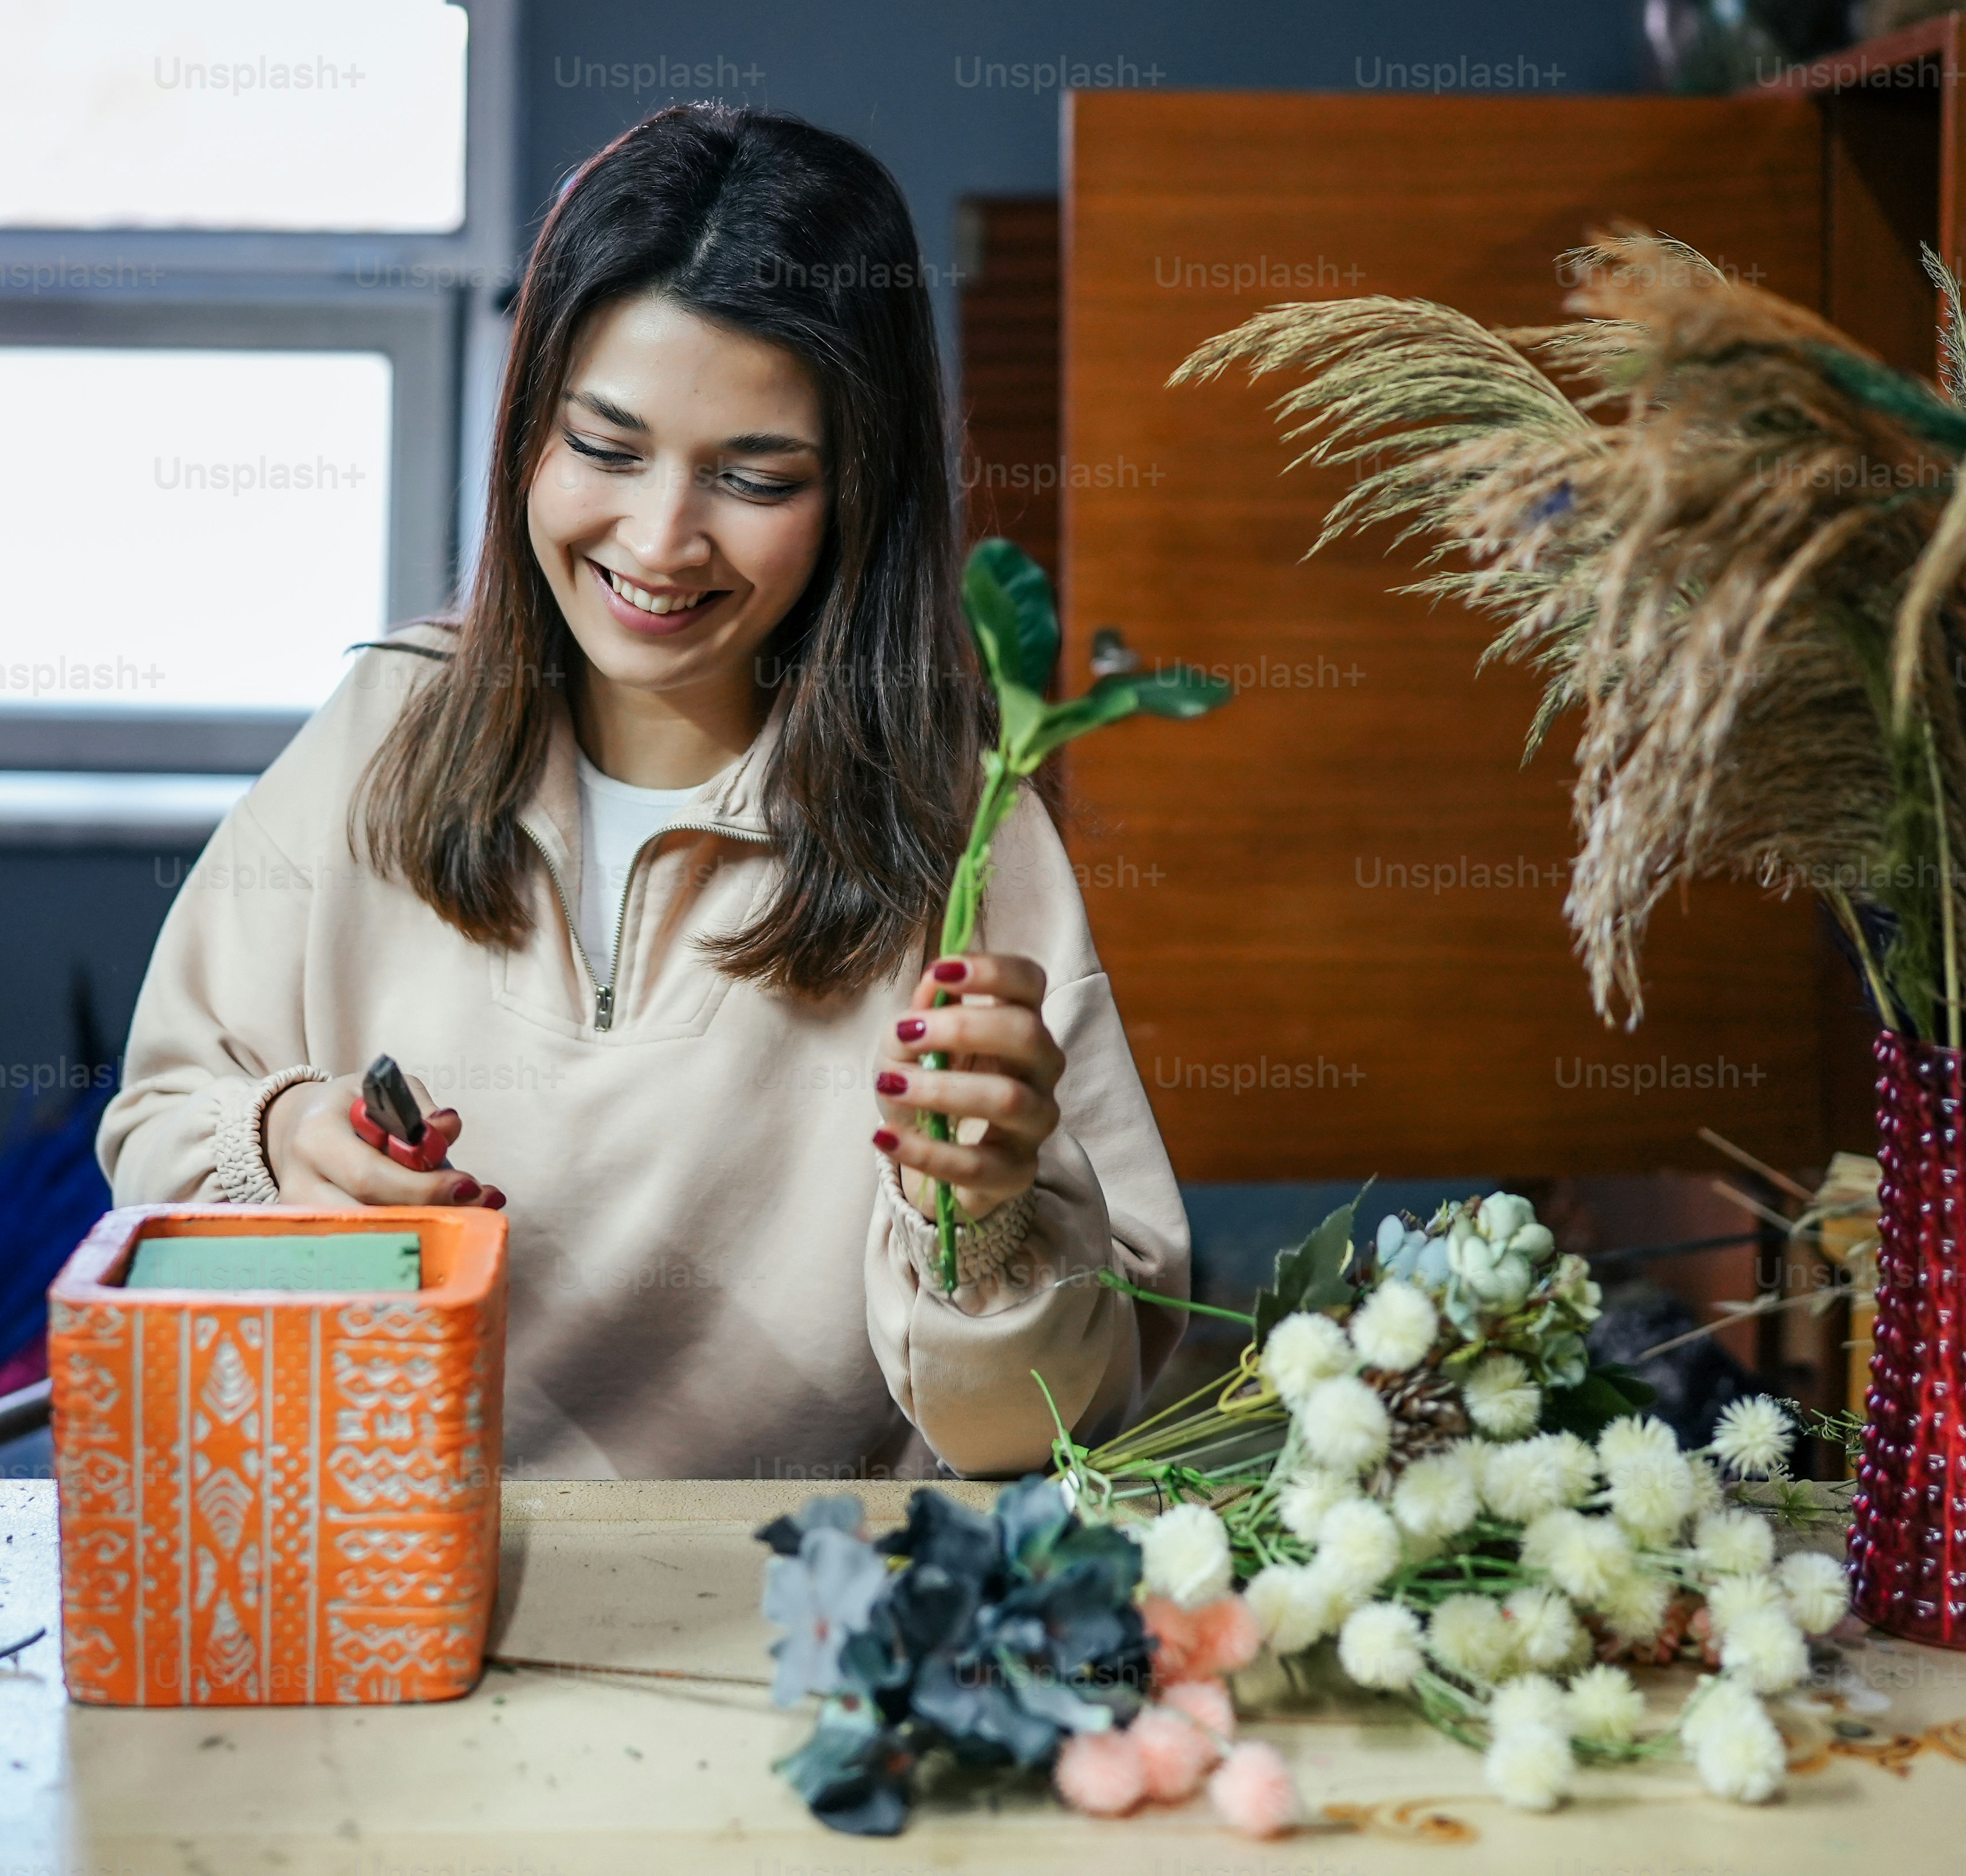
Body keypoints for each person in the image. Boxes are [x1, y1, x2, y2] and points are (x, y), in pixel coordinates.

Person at [100, 104, 1187, 1478]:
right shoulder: (383, 731)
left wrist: (987, 1217)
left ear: (861, 490)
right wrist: (287, 1136)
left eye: (754, 476)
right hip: (399, 1576)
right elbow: (156, 1133)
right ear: (527, 437)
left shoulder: (966, 837)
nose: (661, 540)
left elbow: (1047, 1430)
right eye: (607, 448)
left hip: (788, 1619)